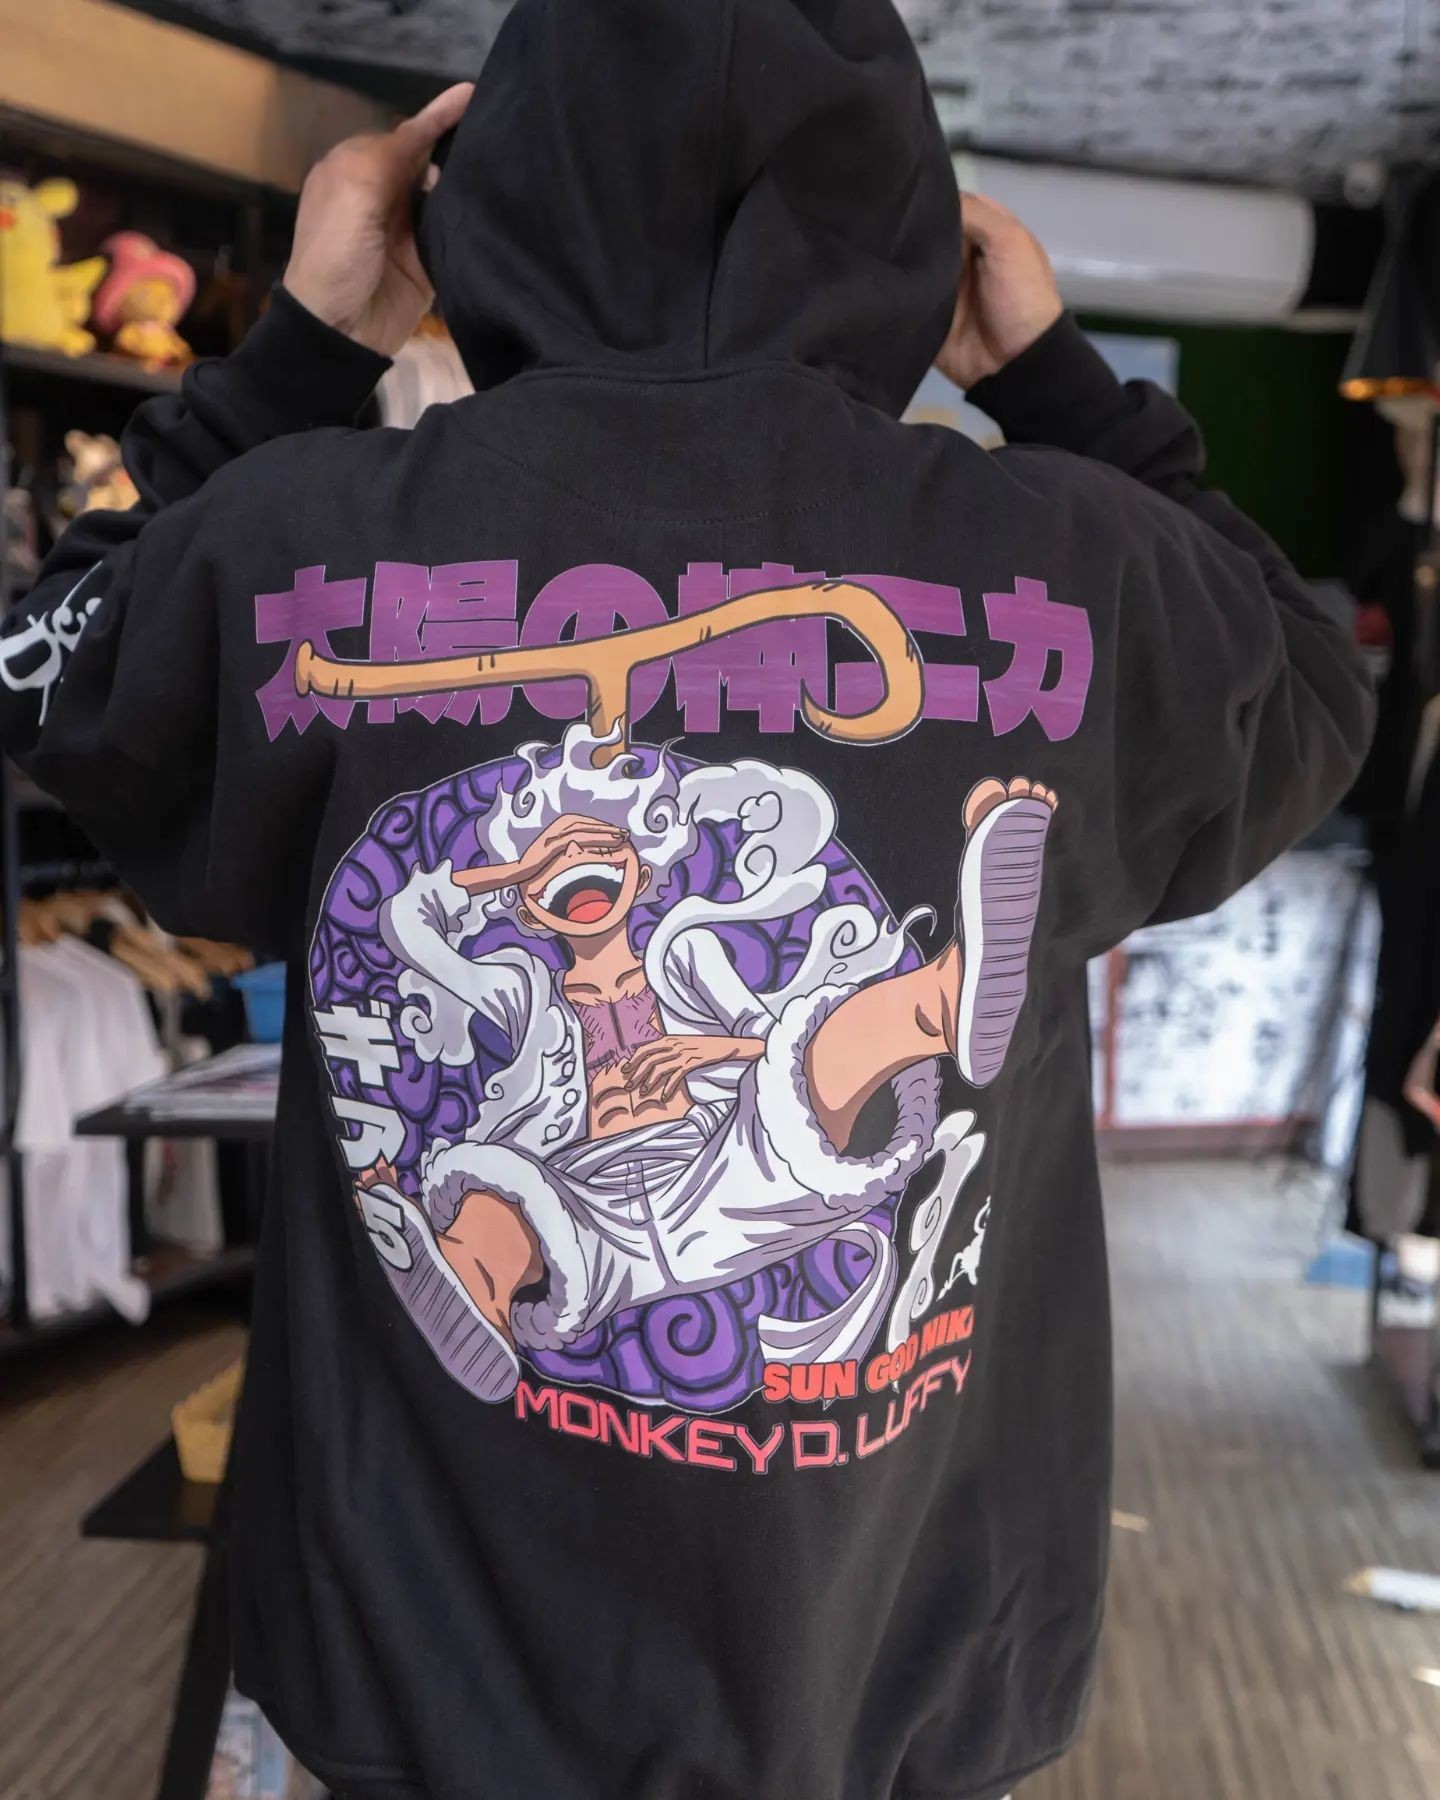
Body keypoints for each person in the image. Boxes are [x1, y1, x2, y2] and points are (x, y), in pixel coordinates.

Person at [2, 3, 1372, 1797]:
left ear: (473, 203)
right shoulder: (1069, 555)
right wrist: (1056, 382)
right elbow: (1311, 682)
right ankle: (906, 1012)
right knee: (792, 1092)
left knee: (645, 1140)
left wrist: (305, 349)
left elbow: (40, 666)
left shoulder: (314, 545)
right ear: (915, 223)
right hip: (897, 1656)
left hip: (430, 1655)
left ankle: (537, 1234)